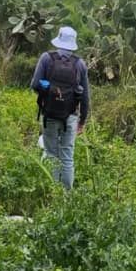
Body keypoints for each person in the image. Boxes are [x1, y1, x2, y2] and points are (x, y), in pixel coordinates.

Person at [30, 26, 90, 190]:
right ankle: (67, 196)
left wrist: (48, 87)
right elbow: (85, 97)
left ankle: (53, 191)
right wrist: (82, 121)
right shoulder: (80, 64)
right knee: (67, 157)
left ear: (59, 40)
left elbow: (35, 85)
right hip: (70, 116)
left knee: (51, 154)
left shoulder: (46, 58)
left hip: (49, 114)